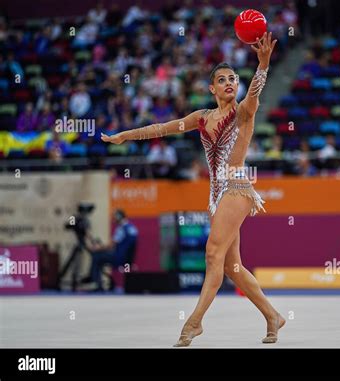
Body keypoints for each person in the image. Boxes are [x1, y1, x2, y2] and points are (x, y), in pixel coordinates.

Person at [101, 32, 285, 346]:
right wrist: (124, 136)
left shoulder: (242, 113)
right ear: (212, 88)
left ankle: (194, 322)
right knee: (232, 266)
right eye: (222, 79)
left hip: (237, 187)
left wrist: (263, 66)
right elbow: (161, 128)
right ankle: (272, 315)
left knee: (212, 254)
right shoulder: (201, 118)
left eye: (233, 78)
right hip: (217, 195)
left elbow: (254, 95)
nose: (229, 82)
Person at [87, 209, 138, 291]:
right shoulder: (132, 228)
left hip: (119, 258)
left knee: (96, 257)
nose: (113, 219)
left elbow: (111, 246)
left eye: (114, 217)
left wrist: (97, 248)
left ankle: (97, 283)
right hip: (128, 259)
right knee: (101, 257)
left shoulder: (121, 229)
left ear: (119, 217)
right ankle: (99, 280)